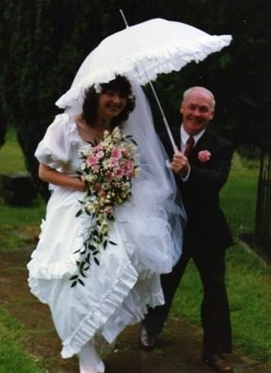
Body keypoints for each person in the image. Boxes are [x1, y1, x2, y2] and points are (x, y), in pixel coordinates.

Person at [27, 74, 185, 373]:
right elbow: (45, 173)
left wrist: (120, 181)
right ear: (94, 95)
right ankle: (84, 349)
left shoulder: (121, 130)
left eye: (122, 96)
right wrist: (87, 184)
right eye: (109, 94)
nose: (116, 101)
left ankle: (97, 334)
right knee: (79, 278)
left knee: (115, 267)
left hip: (115, 209)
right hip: (74, 208)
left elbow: (135, 171)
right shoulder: (66, 126)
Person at [140, 86, 235, 373]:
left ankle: (215, 351)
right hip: (170, 227)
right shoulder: (159, 140)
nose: (196, 113)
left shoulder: (221, 145)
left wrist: (188, 171)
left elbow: (217, 180)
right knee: (164, 283)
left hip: (208, 231)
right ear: (182, 108)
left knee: (215, 290)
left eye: (203, 109)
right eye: (192, 107)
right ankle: (150, 328)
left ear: (211, 114)